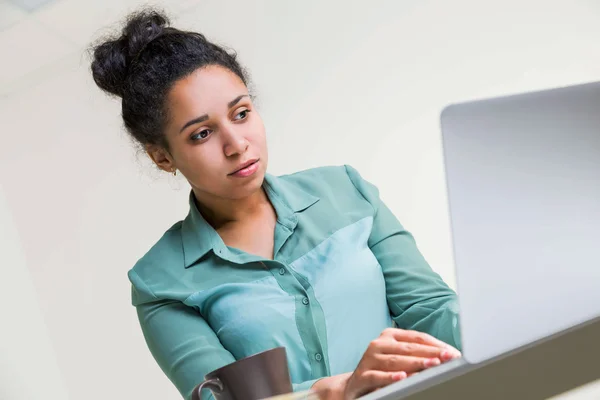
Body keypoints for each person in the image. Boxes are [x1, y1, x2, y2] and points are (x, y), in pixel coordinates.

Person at [90, 8, 462, 400]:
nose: (236, 145)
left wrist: (507, 317)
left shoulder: (346, 190)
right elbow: (222, 397)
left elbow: (430, 309)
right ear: (162, 157)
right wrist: (337, 390)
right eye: (201, 134)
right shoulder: (161, 283)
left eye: (242, 113)